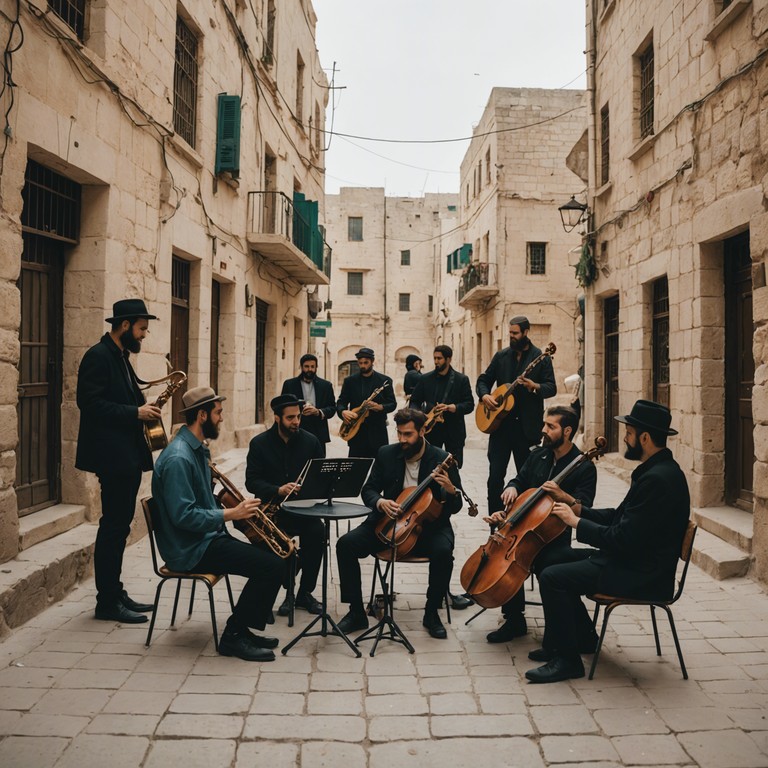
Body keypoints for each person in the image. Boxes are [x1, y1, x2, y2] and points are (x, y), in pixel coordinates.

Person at [526, 400, 690, 684]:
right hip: (633, 561)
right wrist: (576, 509)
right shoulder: (656, 470)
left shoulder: (658, 480)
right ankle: (584, 639)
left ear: (645, 437)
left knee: (554, 577)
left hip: (643, 574)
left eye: (628, 432)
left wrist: (577, 523)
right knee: (549, 559)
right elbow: (620, 516)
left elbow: (622, 538)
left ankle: (567, 660)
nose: (625, 438)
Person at [152, 387, 284, 662]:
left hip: (205, 539)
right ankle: (233, 637)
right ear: (202, 415)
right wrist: (230, 515)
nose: (222, 419)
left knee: (275, 555)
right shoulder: (179, 457)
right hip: (190, 550)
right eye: (218, 413)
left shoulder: (196, 450)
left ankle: (243, 629)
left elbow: (202, 500)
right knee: (271, 566)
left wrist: (237, 508)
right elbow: (183, 516)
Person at [335, 408, 464, 640]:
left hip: (429, 527)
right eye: (399, 433)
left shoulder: (441, 459)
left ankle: (431, 612)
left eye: (408, 434)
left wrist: (452, 491)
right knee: (345, 545)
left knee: (444, 551)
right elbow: (369, 489)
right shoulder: (386, 453)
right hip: (387, 521)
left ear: (423, 431)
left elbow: (456, 507)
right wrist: (381, 502)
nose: (402, 440)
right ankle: (356, 612)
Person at [76, 298, 161, 624]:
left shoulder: (120, 356)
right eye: (141, 329)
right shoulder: (98, 357)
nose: (143, 336)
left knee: (119, 527)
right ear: (125, 326)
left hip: (125, 455)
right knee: (112, 528)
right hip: (112, 457)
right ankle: (107, 602)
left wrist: (145, 407)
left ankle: (115, 591)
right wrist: (134, 412)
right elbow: (90, 403)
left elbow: (121, 399)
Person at [483, 405, 597, 643]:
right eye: (544, 424)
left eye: (550, 426)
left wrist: (562, 495)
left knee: (547, 566)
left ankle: (563, 633)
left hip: (553, 537)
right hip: (523, 527)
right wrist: (511, 487)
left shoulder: (584, 467)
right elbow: (519, 479)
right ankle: (514, 620)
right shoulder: (538, 455)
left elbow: (584, 508)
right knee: (508, 557)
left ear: (567, 431)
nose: (543, 430)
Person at [245, 394, 325, 617]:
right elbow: (251, 481)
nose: (296, 422)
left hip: (303, 509)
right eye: (290, 418)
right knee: (271, 544)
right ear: (277, 418)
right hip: (272, 512)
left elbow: (321, 477)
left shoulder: (311, 441)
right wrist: (277, 489)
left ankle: (304, 593)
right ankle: (275, 593)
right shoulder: (259, 443)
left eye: (298, 417)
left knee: (318, 532)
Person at [476, 316, 556, 515]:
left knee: (527, 478)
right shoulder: (501, 356)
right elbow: (484, 379)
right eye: (510, 333)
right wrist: (485, 395)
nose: (511, 337)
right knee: (495, 478)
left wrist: (534, 386)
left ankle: (523, 519)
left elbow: (551, 387)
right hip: (500, 427)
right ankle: (494, 522)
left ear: (526, 332)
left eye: (515, 333)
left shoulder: (541, 357)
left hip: (526, 429)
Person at [410, 345, 474, 468]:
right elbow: (414, 401)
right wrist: (420, 415)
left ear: (449, 359)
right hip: (431, 431)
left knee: (453, 468)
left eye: (439, 358)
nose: (436, 361)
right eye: (434, 358)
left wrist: (452, 407)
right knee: (429, 467)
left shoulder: (461, 379)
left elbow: (469, 405)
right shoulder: (425, 379)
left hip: (454, 431)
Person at [337, 347, 397, 458]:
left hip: (378, 433)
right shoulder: (350, 381)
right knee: (356, 469)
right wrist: (343, 412)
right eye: (360, 363)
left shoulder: (385, 380)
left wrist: (380, 407)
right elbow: (341, 402)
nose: (363, 366)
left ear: (372, 361)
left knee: (378, 468)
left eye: (366, 362)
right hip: (356, 433)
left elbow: (392, 404)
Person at [280, 354, 336, 457]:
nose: (309, 369)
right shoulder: (289, 384)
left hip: (318, 434)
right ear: (301, 367)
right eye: (306, 366)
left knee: (317, 467)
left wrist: (318, 412)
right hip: (294, 432)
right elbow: (282, 407)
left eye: (312, 366)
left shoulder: (326, 385)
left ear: (316, 367)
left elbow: (332, 408)